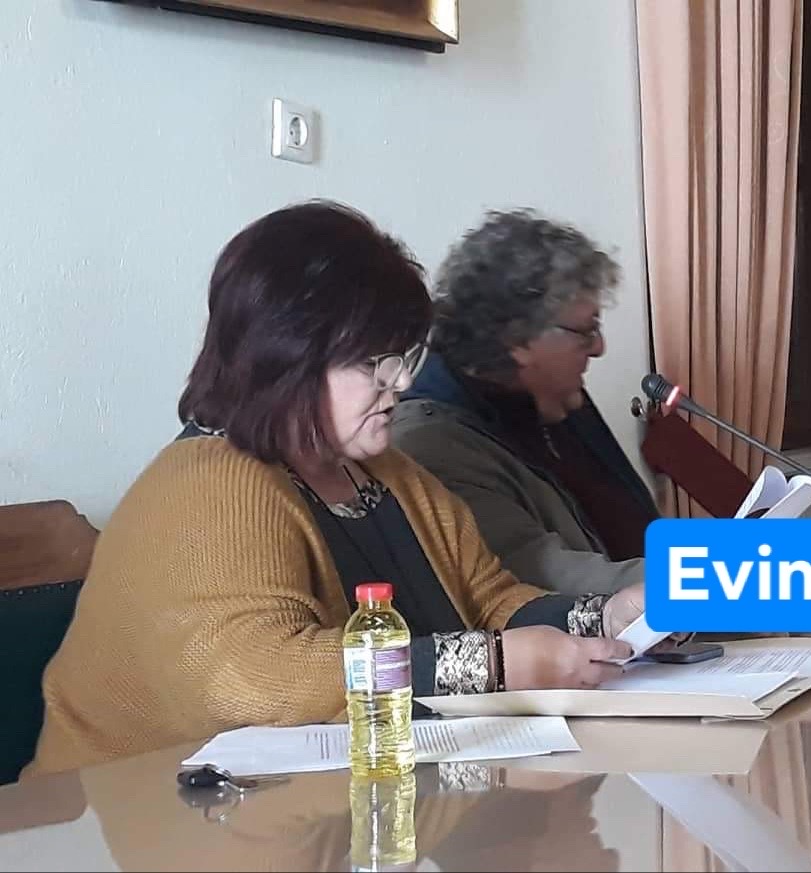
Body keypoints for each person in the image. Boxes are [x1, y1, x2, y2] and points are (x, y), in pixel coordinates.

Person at [27, 201, 643, 776]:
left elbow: (489, 600)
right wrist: (495, 663)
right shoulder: (210, 480)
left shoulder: (391, 474)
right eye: (374, 363)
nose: (399, 383)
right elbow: (254, 678)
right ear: (287, 357)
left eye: (402, 357)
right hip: (138, 806)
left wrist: (606, 616)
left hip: (318, 801)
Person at [391, 209, 658, 597]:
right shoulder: (433, 447)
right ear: (516, 339)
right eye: (586, 330)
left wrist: (736, 558)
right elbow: (550, 582)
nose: (599, 347)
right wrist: (735, 577)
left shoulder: (557, 398)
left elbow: (637, 534)